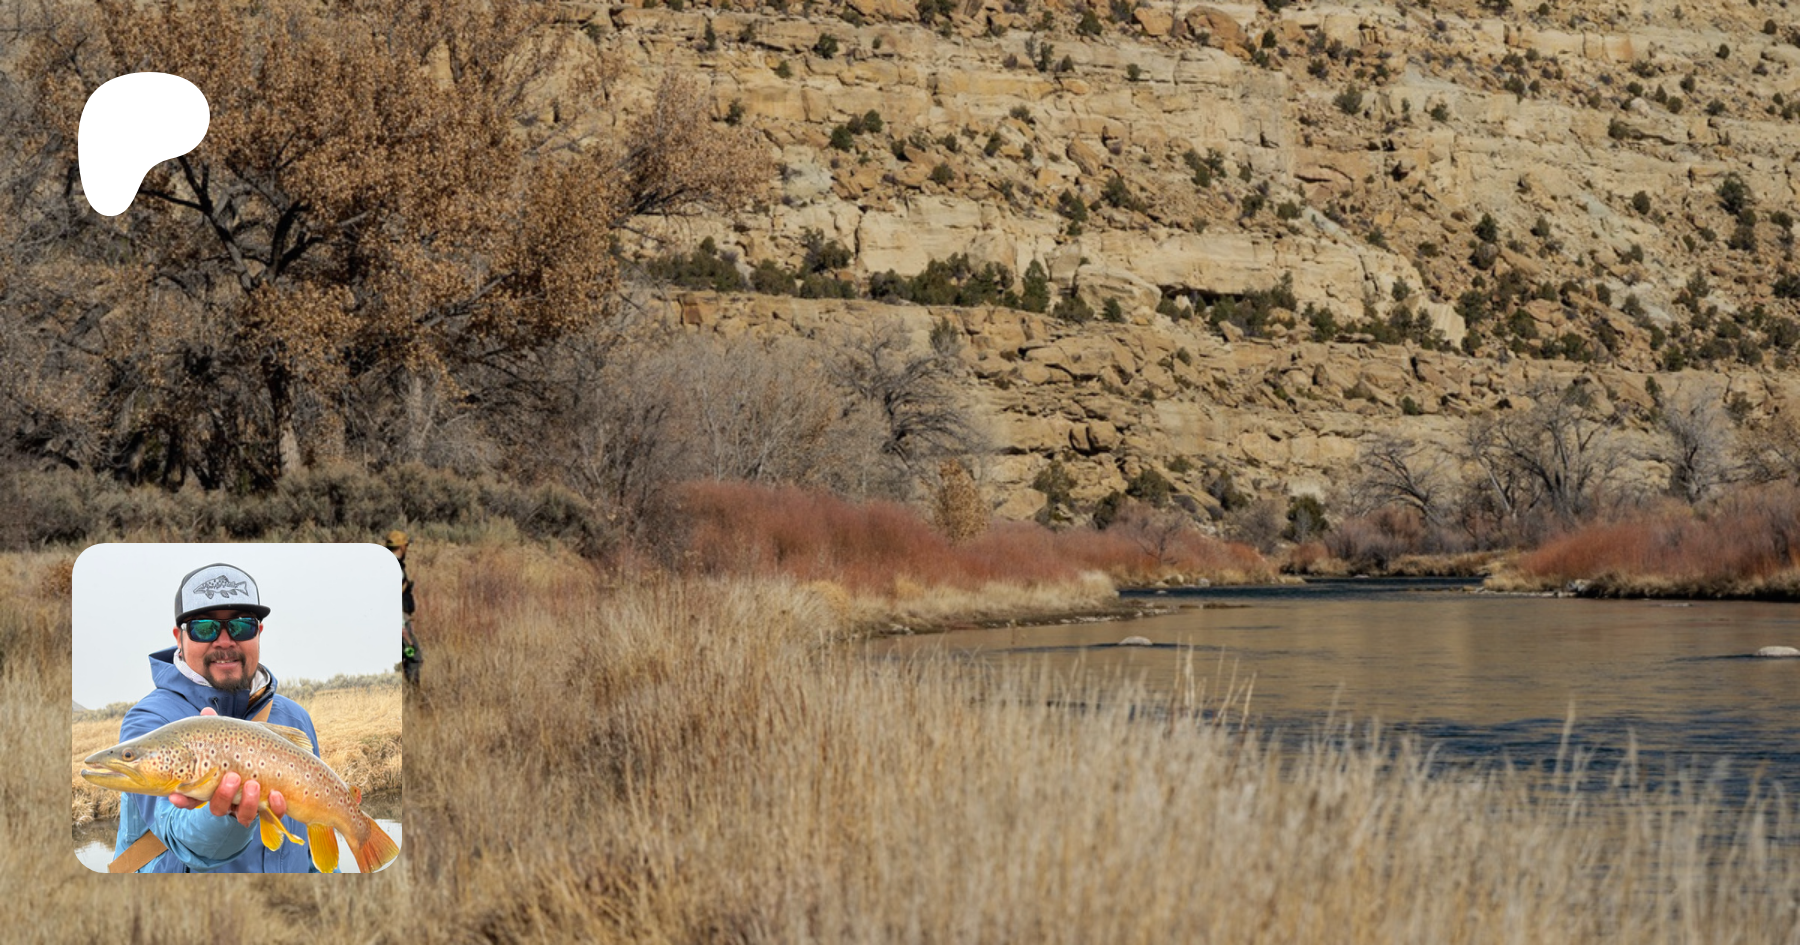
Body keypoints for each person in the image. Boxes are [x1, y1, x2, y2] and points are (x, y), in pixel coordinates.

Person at [106, 562, 334, 873]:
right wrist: (227, 817)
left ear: (259, 633)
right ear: (179, 638)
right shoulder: (149, 720)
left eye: (241, 626)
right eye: (204, 627)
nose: (224, 641)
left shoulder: (294, 718)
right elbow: (177, 832)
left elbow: (310, 854)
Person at [387, 531, 421, 685]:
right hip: (399, 624)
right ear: (401, 547)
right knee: (413, 656)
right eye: (406, 545)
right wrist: (403, 630)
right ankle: (414, 695)